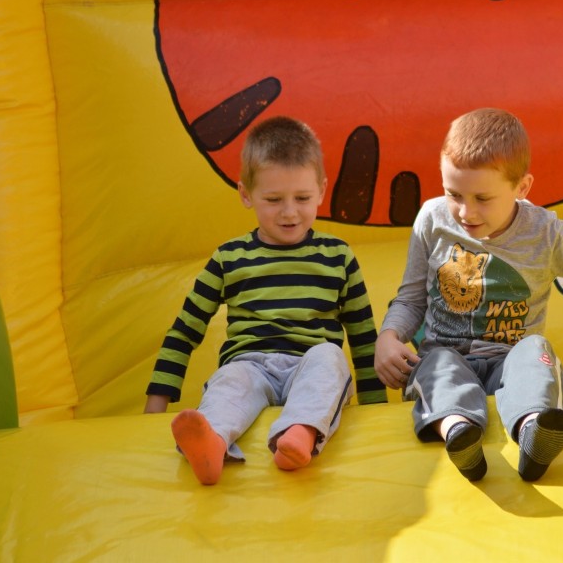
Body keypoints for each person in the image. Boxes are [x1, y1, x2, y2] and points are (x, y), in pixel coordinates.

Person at [375, 107, 563, 482]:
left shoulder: (545, 234)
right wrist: (389, 337)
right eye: (453, 193)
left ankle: (533, 431)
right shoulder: (432, 219)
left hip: (511, 365)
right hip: (448, 359)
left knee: (535, 349)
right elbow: (412, 298)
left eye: (482, 198)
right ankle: (459, 432)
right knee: (437, 363)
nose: (464, 211)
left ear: (522, 188)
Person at [144, 116, 384, 485]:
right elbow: (185, 330)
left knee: (330, 358)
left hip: (309, 362)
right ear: (246, 195)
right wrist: (156, 404)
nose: (289, 212)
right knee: (230, 380)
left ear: (321, 190)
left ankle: (299, 434)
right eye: (273, 200)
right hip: (250, 364)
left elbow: (365, 337)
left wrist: (378, 411)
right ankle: (212, 443)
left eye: (302, 198)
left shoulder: (338, 257)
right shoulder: (229, 258)